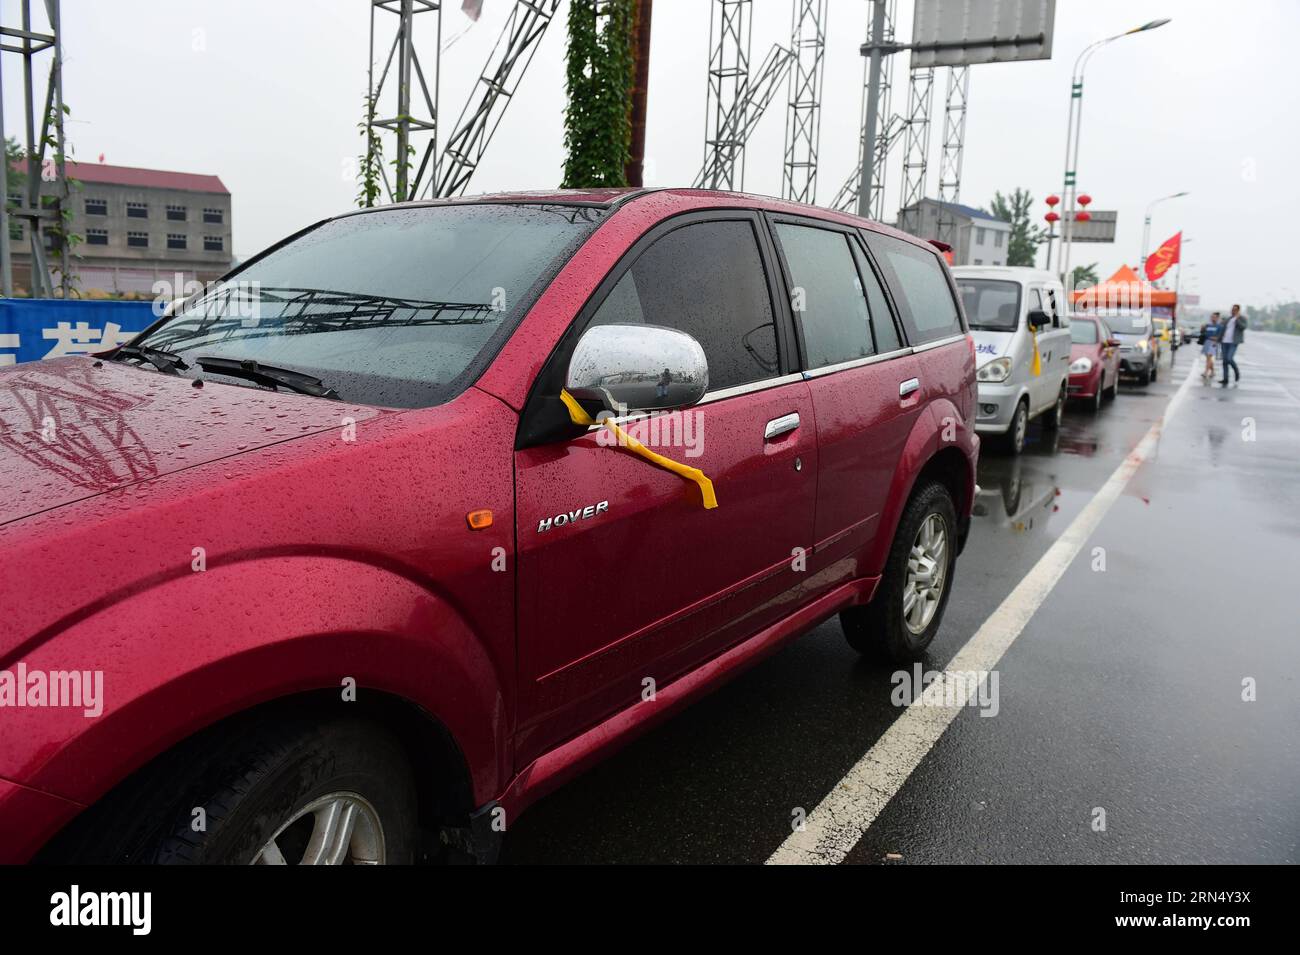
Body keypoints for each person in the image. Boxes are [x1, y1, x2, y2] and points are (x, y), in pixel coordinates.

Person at [1219, 304, 1247, 386]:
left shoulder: (1242, 318)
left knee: (1229, 358)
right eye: (1232, 309)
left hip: (1233, 342)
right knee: (1224, 361)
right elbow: (1222, 328)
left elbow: (1243, 327)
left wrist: (1237, 319)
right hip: (1224, 341)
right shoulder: (1228, 319)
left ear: (1238, 311)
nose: (1233, 311)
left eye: (1235, 310)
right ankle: (1225, 379)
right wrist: (1218, 339)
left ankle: (1236, 372)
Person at [1200, 312, 1221, 381]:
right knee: (1208, 358)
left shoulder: (1219, 326)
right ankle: (1213, 371)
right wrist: (1202, 328)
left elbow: (1220, 335)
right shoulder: (1208, 325)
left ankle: (1206, 372)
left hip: (1213, 343)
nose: (1213, 318)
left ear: (1218, 318)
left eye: (1214, 317)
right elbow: (1203, 332)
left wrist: (1216, 340)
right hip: (1207, 342)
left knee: (1209, 357)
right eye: (1212, 317)